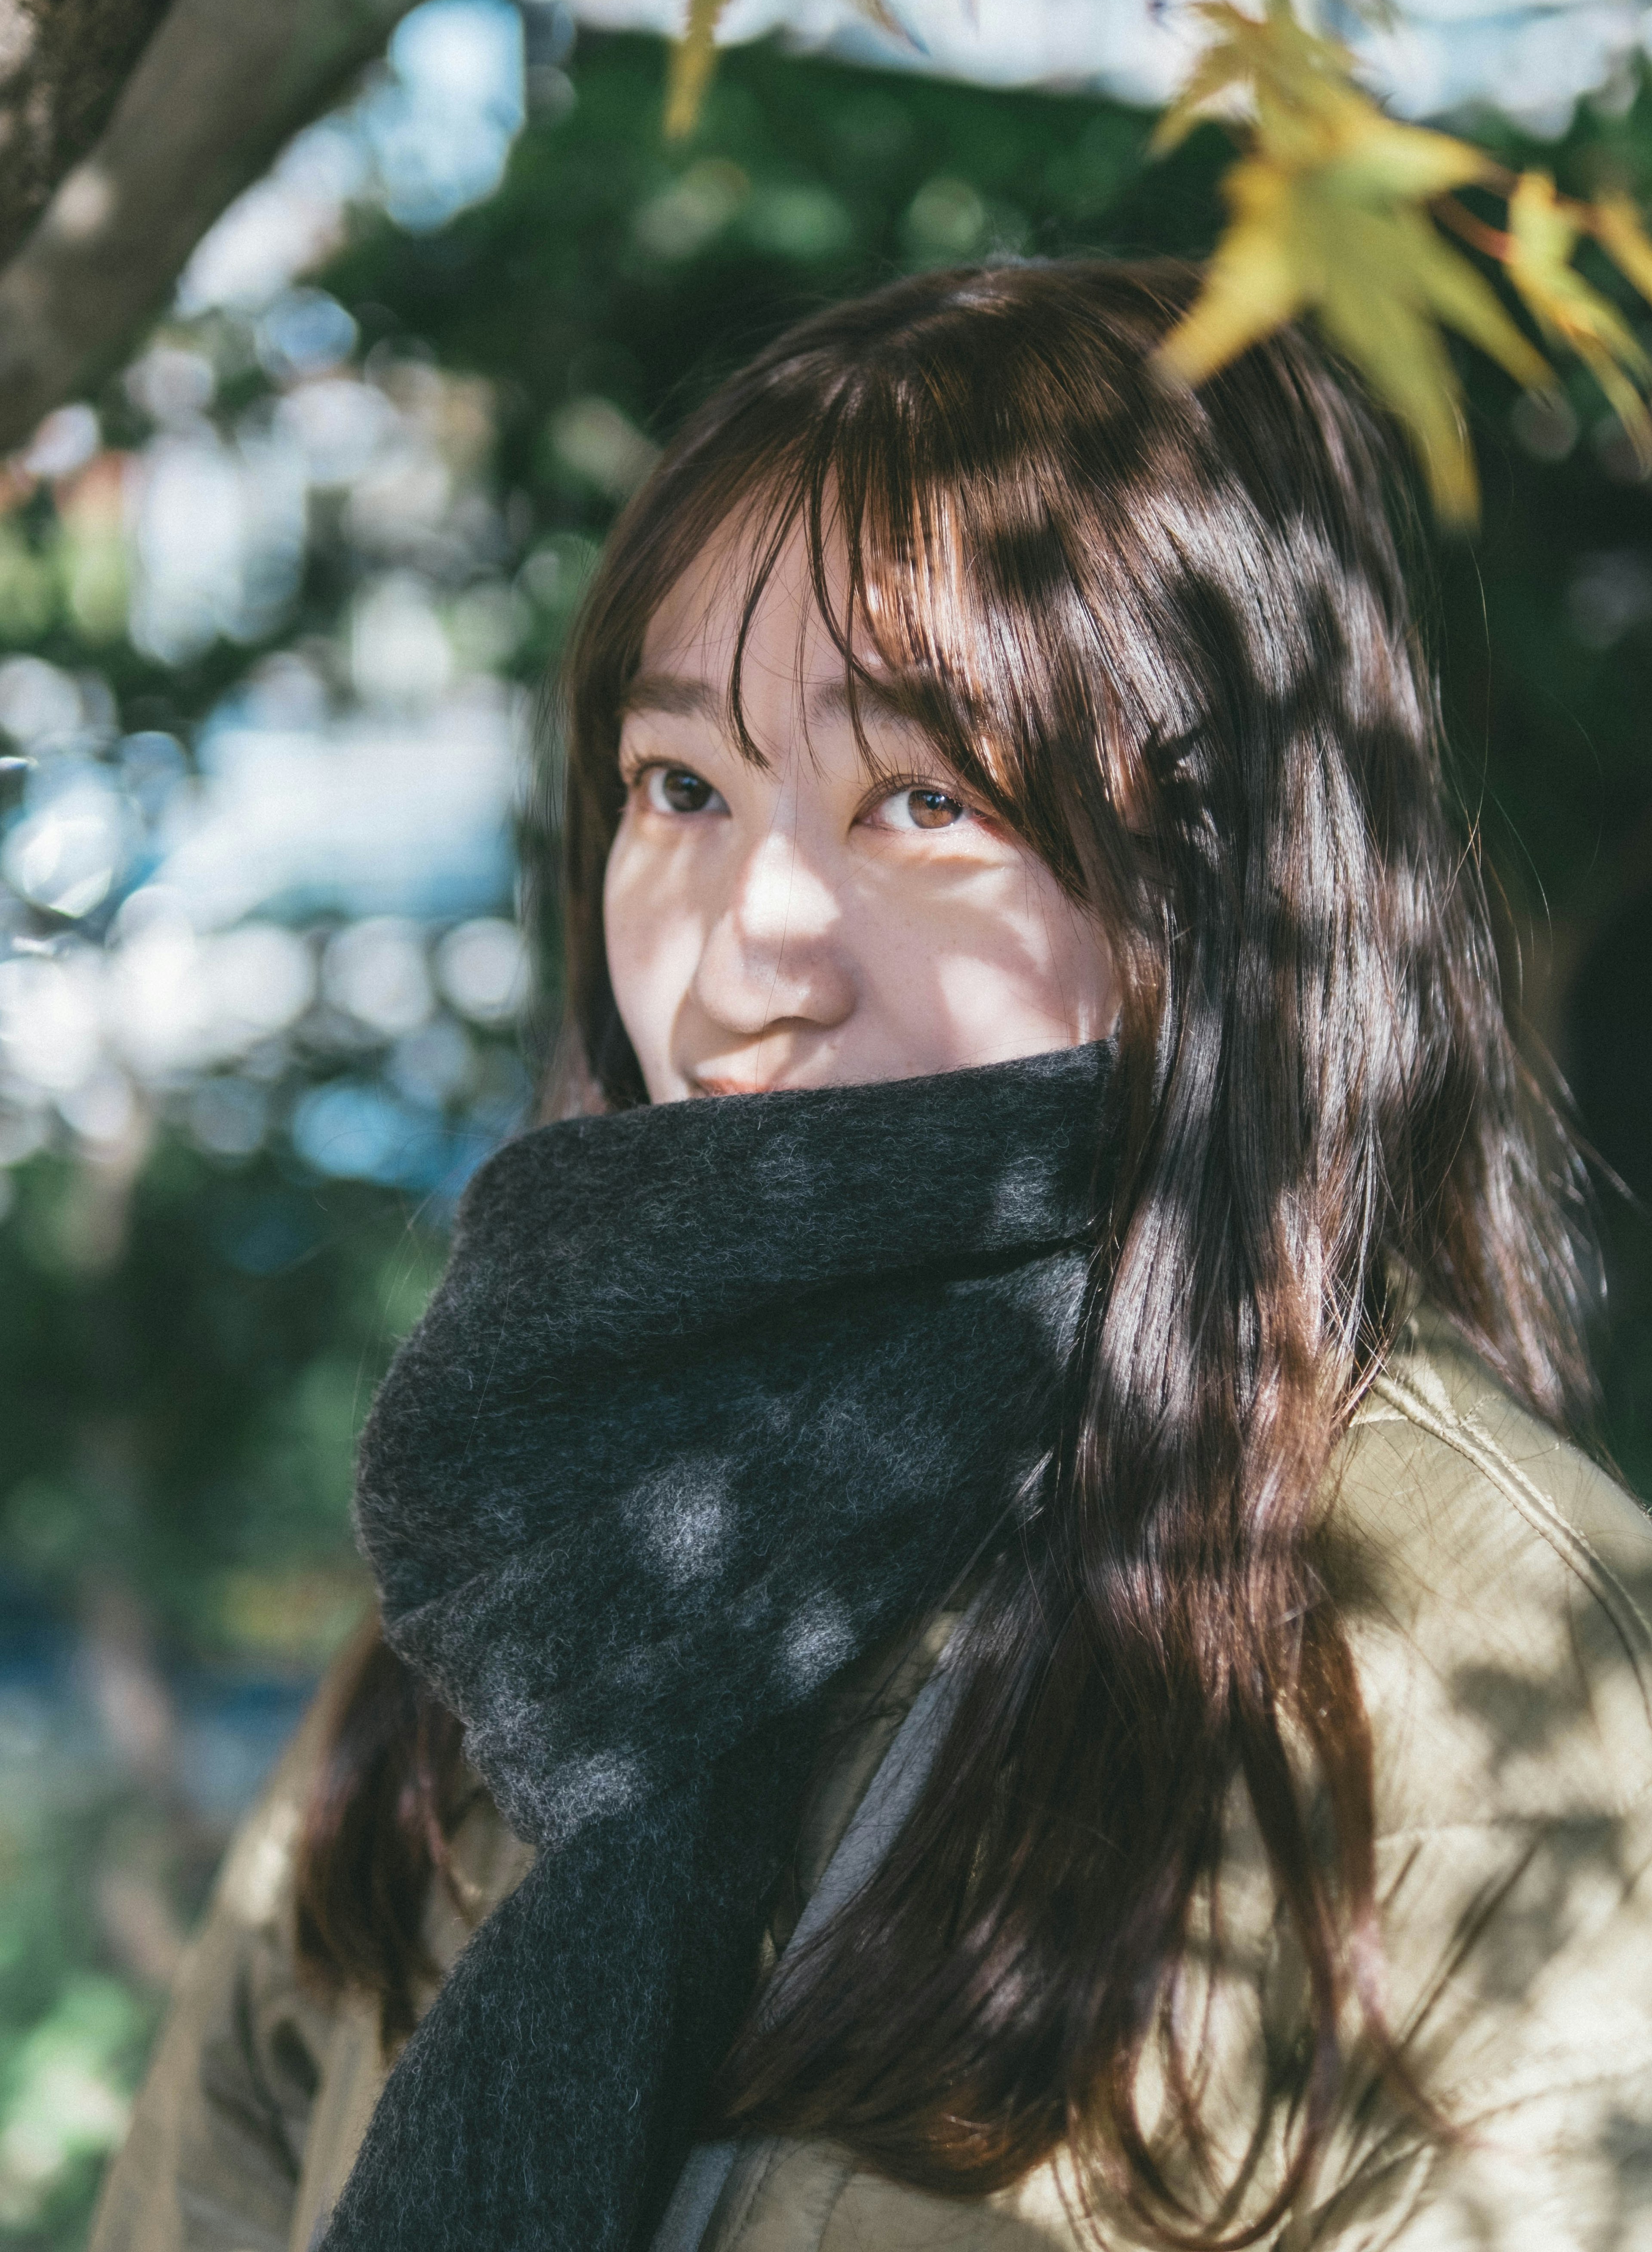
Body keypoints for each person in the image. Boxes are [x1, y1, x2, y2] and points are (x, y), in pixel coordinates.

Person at [90, 259, 1652, 2252]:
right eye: (680, 788)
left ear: (1229, 882)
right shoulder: (539, 1533)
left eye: (923, 799)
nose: (750, 956)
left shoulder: (1464, 1688)